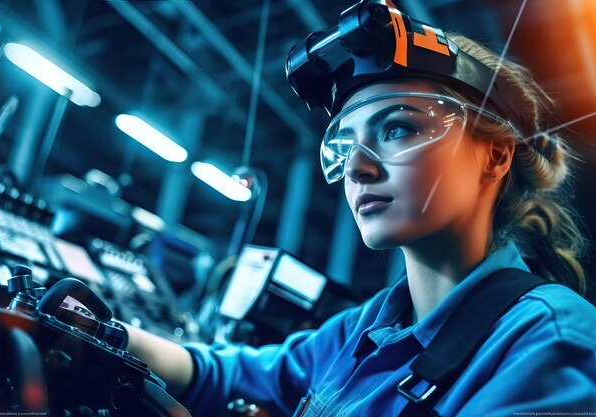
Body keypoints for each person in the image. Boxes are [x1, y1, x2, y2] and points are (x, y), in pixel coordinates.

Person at [125, 1, 596, 416]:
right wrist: (100, 330)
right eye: (345, 145)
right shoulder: (366, 327)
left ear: (496, 155)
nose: (357, 169)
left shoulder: (548, 341)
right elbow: (228, 376)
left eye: (397, 129)